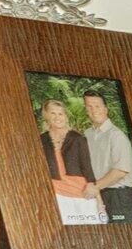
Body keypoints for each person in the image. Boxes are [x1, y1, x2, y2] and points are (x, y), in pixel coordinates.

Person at [79, 87, 132, 224]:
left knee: (127, 237)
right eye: (89, 107)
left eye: (97, 106)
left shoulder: (116, 136)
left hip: (120, 197)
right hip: (98, 195)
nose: (94, 110)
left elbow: (120, 171)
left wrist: (96, 187)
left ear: (105, 109)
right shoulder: (87, 134)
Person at [37, 95, 102, 224]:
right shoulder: (41, 140)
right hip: (58, 195)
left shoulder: (78, 138)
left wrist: (99, 202)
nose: (57, 117)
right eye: (53, 113)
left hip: (82, 194)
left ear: (65, 117)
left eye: (61, 114)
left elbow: (88, 168)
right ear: (46, 116)